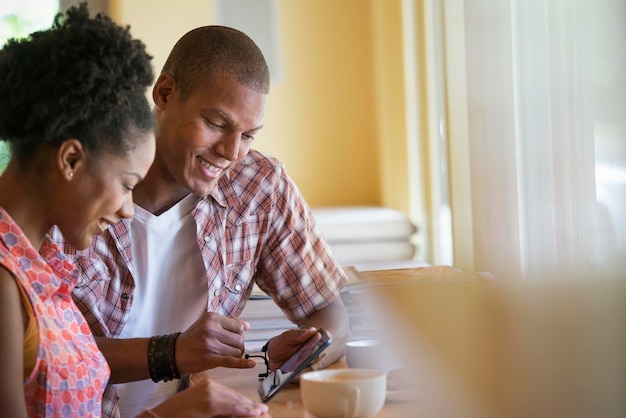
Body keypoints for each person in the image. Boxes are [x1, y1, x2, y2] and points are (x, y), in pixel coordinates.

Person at [51, 24, 351, 418]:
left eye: (248, 135)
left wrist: (300, 356)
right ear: (164, 94)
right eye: (217, 123)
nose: (231, 152)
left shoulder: (258, 187)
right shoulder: (74, 188)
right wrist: (171, 352)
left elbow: (331, 309)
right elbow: (46, 358)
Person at [0, 4, 268, 418]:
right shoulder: (5, 278)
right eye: (127, 184)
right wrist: (167, 415)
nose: (128, 210)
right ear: (71, 160)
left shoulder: (36, 264)